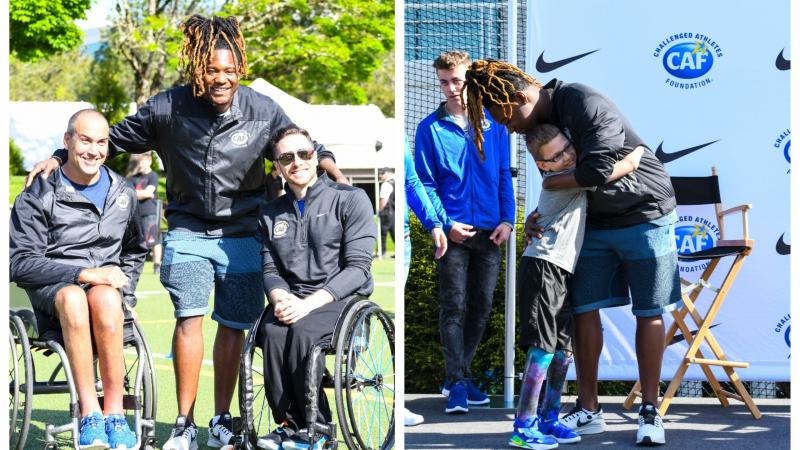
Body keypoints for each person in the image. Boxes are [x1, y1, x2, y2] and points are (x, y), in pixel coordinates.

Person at [25, 15, 348, 450]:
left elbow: (302, 142)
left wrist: (334, 170)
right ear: (197, 67)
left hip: (244, 232)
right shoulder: (167, 108)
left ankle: (219, 419)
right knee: (188, 318)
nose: (222, 78)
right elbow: (109, 140)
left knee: (234, 326)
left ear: (241, 70)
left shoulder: (262, 109)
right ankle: (183, 423)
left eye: (230, 70)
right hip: (188, 230)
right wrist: (57, 155)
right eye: (213, 70)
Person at [464, 60, 681, 446]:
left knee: (649, 312)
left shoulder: (583, 100)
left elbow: (597, 169)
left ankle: (650, 411)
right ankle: (589, 409)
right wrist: (540, 208)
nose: (509, 127)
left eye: (506, 116)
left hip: (646, 214)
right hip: (594, 225)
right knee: (582, 312)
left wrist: (553, 184)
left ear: (521, 97)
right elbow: (570, 183)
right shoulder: (542, 123)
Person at [10, 109, 147, 450]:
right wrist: (82, 273)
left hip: (104, 298)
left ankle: (115, 414)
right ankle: (90, 413)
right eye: (85, 140)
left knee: (105, 297)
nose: (94, 150)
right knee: (74, 296)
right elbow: (19, 262)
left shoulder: (122, 191)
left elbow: (134, 249)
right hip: (55, 292)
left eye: (101, 142)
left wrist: (124, 294)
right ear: (67, 141)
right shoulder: (39, 192)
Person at [510, 124, 644, 449]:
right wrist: (637, 154)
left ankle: (549, 419)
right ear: (544, 166)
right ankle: (523, 427)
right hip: (543, 267)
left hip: (562, 269)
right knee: (543, 348)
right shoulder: (556, 180)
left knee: (562, 350)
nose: (567, 156)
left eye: (568, 148)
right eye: (556, 156)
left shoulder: (568, 172)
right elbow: (614, 169)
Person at [256, 126, 376, 450]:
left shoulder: (350, 199)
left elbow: (358, 268)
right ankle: (288, 424)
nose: (297, 162)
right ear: (278, 166)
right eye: (287, 157)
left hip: (341, 296)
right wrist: (280, 297)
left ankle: (318, 429)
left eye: (304, 154)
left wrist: (307, 305)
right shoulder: (270, 214)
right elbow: (270, 269)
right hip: (293, 295)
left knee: (303, 330)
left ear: (315, 156)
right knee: (272, 331)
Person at [414, 51, 516, 414]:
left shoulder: (496, 124)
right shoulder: (429, 128)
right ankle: (457, 383)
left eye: (457, 80)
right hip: (454, 233)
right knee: (453, 308)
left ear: (470, 79)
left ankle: (460, 374)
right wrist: (443, 223)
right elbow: (425, 182)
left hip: (491, 232)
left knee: (482, 306)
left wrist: (508, 220)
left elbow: (505, 174)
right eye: (444, 82)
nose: (451, 88)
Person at [402, 135, 448, 427]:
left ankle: (398, 405)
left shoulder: (398, 133)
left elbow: (411, 181)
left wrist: (433, 224)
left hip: (404, 240)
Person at [126, 152, 163, 274]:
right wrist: (143, 194)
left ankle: (156, 265)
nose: (140, 164)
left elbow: (148, 193)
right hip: (134, 214)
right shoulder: (133, 178)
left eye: (142, 161)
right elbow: (127, 194)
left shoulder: (153, 176)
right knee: (136, 241)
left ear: (149, 161)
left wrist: (137, 194)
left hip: (149, 213)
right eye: (138, 161)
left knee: (153, 240)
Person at [378, 167, 396, 255]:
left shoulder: (386, 184)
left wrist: (379, 211)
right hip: (395, 212)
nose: (380, 176)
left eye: (382, 173)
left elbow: (383, 200)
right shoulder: (396, 181)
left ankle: (382, 251)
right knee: (394, 232)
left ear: (387, 173)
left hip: (387, 212)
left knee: (382, 232)